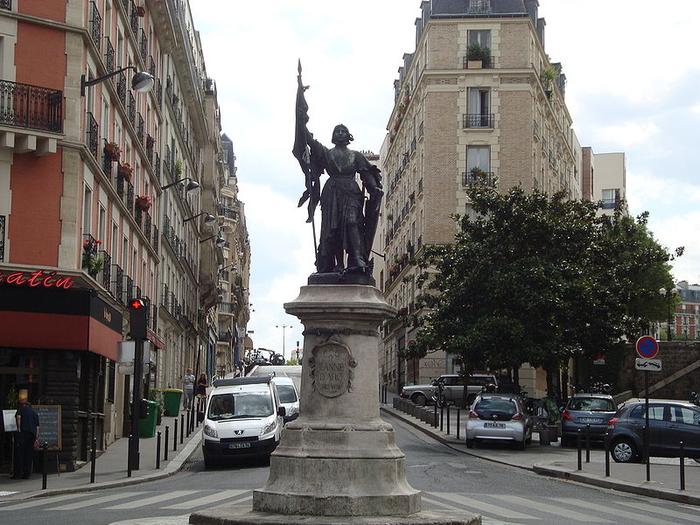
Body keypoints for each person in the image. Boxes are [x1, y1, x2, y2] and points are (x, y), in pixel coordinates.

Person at [13, 390, 40, 479]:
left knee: (19, 453)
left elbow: (18, 417)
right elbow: (37, 427)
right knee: (29, 454)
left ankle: (17, 473)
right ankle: (26, 474)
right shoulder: (34, 413)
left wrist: (19, 429)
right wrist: (36, 438)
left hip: (23, 433)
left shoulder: (21, 409)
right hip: (32, 435)